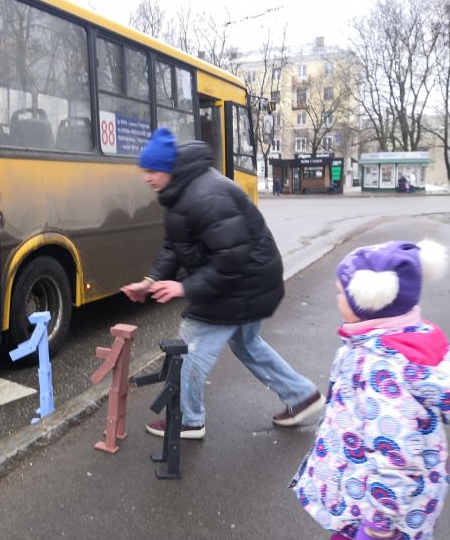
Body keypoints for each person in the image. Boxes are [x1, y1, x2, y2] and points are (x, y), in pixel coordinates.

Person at [121, 127, 324, 440]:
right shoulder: (181, 191)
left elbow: (231, 261)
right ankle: (302, 397)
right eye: (143, 171)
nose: (145, 178)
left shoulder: (207, 196)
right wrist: (150, 280)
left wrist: (184, 288)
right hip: (247, 280)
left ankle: (189, 420)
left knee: (190, 345)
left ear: (168, 169)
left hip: (245, 282)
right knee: (247, 344)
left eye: (151, 171)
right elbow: (175, 246)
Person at [291, 240, 449, 540]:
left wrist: (378, 525)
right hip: (387, 499)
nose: (336, 300)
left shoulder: (382, 366)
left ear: (368, 301)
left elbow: (396, 452)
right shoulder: (410, 337)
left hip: (375, 514)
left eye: (341, 294)